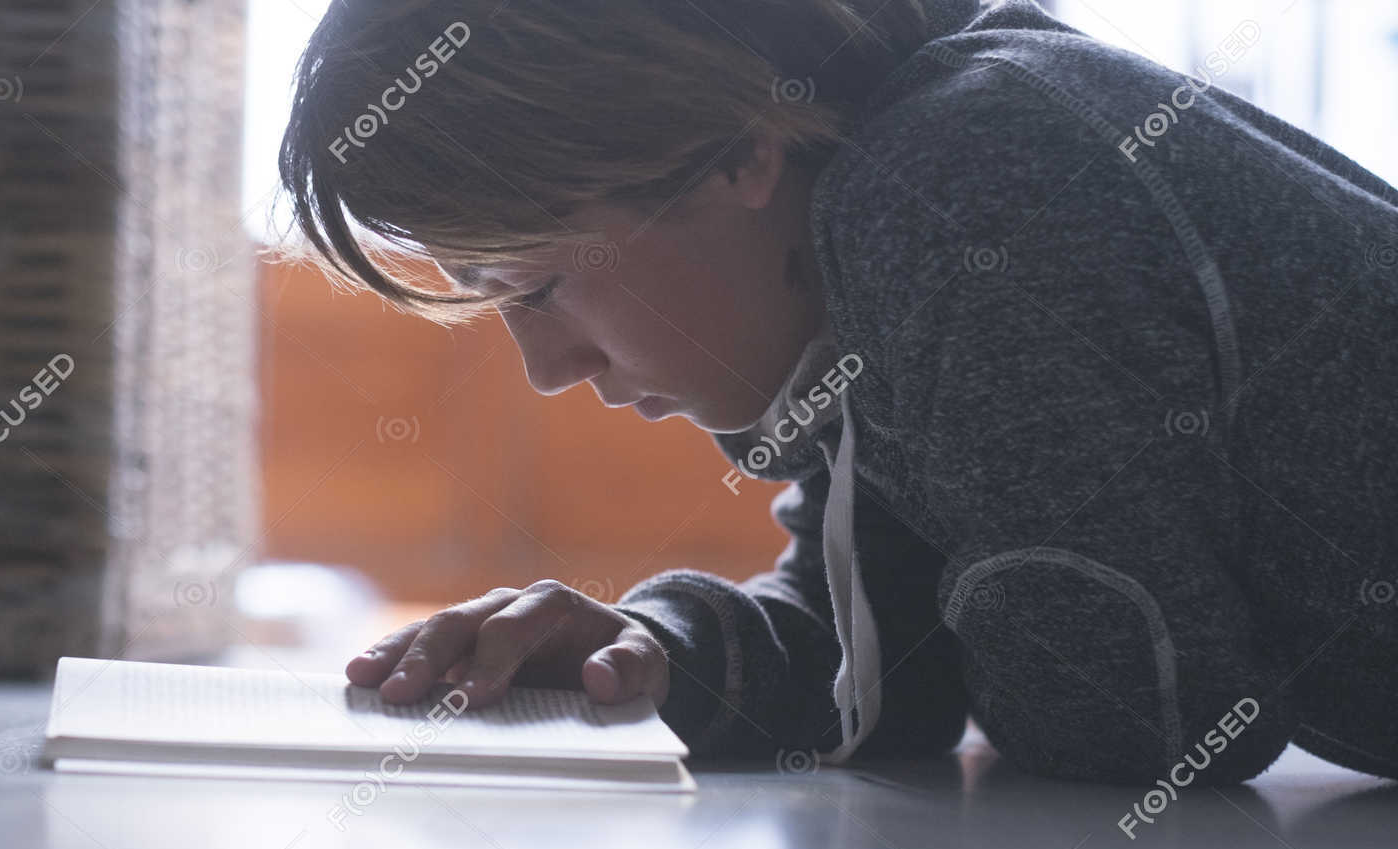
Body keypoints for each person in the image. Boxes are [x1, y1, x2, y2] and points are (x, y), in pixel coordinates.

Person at [274, 0, 1398, 784]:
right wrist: (654, 653)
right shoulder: (897, 202)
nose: (550, 368)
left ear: (736, 152)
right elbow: (893, 665)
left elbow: (1141, 722)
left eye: (538, 288)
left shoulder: (965, 181)